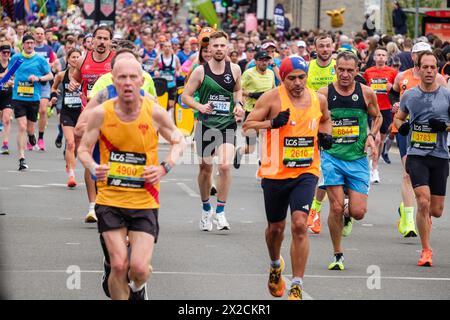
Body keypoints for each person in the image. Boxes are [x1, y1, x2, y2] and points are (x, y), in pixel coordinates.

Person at [78, 57, 185, 300]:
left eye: (133, 77)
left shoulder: (155, 112)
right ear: (113, 80)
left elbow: (179, 140)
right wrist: (93, 167)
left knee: (138, 269)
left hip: (144, 200)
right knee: (118, 265)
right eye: (122, 77)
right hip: (110, 199)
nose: (127, 82)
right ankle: (115, 276)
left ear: (142, 80)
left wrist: (164, 167)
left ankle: (137, 289)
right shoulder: (100, 114)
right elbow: (83, 149)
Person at [243, 56, 332, 300]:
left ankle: (297, 284)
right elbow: (247, 125)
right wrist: (272, 123)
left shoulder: (318, 99)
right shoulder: (272, 98)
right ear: (283, 78)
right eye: (291, 78)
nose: (297, 82)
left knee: (300, 224)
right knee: (276, 228)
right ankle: (275, 266)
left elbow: (326, 119)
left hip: (306, 171)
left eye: (301, 77)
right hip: (275, 172)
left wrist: (326, 136)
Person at [318, 51, 382, 270]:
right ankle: (338, 254)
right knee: (334, 208)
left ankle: (349, 214)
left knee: (358, 212)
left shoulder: (366, 93)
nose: (344, 75)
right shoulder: (324, 93)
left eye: (349, 71)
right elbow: (314, 120)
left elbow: (378, 116)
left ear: (357, 71)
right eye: (341, 70)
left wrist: (372, 136)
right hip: (332, 157)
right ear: (335, 69)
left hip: (357, 158)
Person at [182, 31, 244, 232]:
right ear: (209, 49)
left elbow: (237, 91)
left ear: (227, 48)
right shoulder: (200, 71)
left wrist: (239, 105)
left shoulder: (234, 69)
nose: (218, 49)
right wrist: (199, 107)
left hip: (226, 124)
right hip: (206, 125)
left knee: (225, 166)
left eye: (222, 46)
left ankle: (220, 212)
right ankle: (206, 208)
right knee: (205, 169)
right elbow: (185, 96)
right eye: (215, 46)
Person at [394, 51, 450, 267]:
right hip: (416, 154)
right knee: (422, 200)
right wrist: (402, 127)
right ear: (417, 69)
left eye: (432, 67)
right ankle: (426, 250)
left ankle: (425, 220)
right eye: (424, 67)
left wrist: (444, 127)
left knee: (435, 210)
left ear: (437, 70)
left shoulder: (446, 96)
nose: (429, 70)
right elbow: (399, 119)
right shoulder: (410, 96)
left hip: (440, 156)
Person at [69, 25, 116, 223]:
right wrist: (73, 84)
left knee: (110, 159)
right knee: (88, 157)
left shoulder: (115, 60)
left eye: (106, 38)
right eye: (99, 38)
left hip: (113, 117)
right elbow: (75, 78)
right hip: (89, 117)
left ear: (110, 42)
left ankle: (110, 201)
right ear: (93, 40)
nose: (102, 42)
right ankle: (92, 206)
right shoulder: (83, 60)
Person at [305, 33, 337, 234]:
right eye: (321, 46)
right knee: (317, 168)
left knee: (333, 169)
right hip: (314, 122)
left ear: (333, 47)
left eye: (328, 45)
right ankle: (312, 210)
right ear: (315, 48)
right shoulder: (309, 68)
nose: (325, 49)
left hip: (339, 123)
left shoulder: (338, 67)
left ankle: (318, 210)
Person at [8, 34, 53, 170]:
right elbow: (9, 73)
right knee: (21, 126)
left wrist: (38, 78)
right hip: (18, 97)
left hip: (33, 98)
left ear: (34, 44)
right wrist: (7, 82)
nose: (29, 45)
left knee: (30, 128)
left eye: (31, 43)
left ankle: (32, 135)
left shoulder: (40, 60)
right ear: (23, 44)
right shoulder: (17, 58)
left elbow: (50, 75)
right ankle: (22, 158)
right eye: (27, 43)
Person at [234, 50, 275, 170]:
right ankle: (240, 152)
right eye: (261, 60)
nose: (264, 62)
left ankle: (263, 165)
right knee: (250, 148)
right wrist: (252, 94)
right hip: (252, 112)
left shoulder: (271, 73)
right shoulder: (248, 74)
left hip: (267, 112)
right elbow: (238, 89)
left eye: (266, 60)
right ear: (256, 61)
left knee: (265, 139)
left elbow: (273, 88)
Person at [363, 47, 398, 182]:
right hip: (373, 108)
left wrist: (391, 87)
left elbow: (397, 89)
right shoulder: (368, 72)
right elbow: (364, 87)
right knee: (376, 139)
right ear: (374, 57)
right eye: (378, 55)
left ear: (387, 58)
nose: (381, 57)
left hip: (387, 108)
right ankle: (375, 170)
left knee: (381, 140)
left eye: (383, 55)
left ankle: (374, 161)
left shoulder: (393, 72)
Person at [50, 48, 82, 188]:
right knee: (70, 143)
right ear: (68, 59)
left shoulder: (85, 76)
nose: (75, 59)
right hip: (67, 112)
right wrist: (54, 97)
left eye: (78, 57)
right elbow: (53, 88)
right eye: (73, 57)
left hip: (82, 114)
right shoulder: (61, 75)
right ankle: (71, 175)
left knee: (77, 146)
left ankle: (70, 163)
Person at [33, 27, 57, 151]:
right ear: (34, 35)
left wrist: (49, 65)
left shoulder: (49, 50)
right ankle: (30, 136)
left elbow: (54, 63)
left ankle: (41, 138)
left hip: (44, 83)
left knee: (43, 110)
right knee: (30, 112)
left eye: (41, 34)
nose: (40, 36)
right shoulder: (30, 48)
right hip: (31, 84)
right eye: (37, 34)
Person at [153, 41, 181, 110]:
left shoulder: (175, 58)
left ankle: (169, 117)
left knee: (171, 104)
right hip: (161, 85)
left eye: (169, 46)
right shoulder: (158, 58)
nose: (167, 48)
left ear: (171, 48)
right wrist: (156, 71)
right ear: (162, 48)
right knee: (161, 105)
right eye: (165, 46)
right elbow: (153, 67)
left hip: (172, 84)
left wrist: (178, 72)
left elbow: (179, 68)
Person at [0, 40, 13, 154]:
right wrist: (3, 77)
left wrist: (12, 82)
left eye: (8, 52)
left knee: (7, 119)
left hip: (8, 95)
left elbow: (17, 78)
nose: (6, 54)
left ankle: (5, 144)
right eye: (4, 52)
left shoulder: (12, 64)